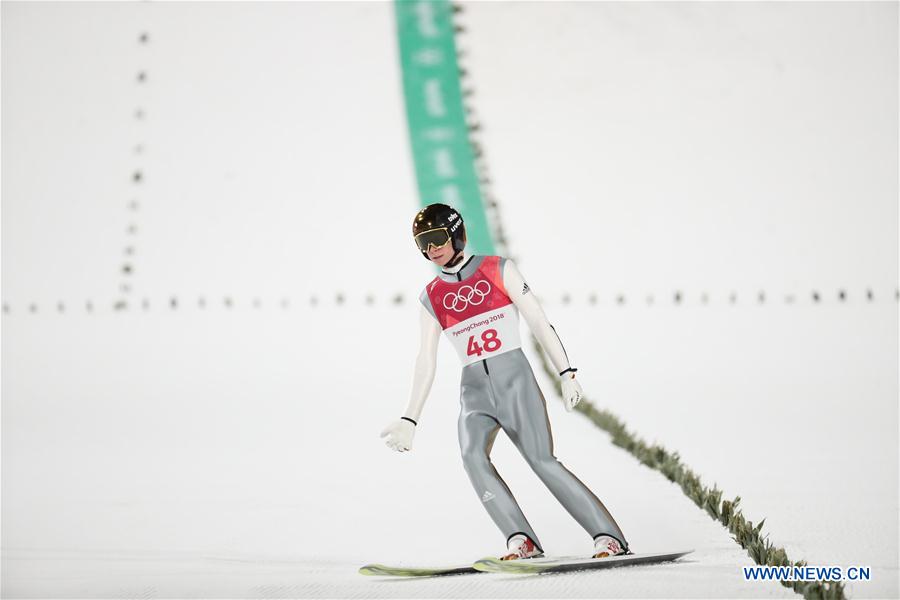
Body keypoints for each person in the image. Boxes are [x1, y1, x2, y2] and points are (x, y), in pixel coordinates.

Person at [380, 203, 630, 561]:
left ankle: (608, 536)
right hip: (474, 391)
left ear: (456, 234)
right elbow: (426, 359)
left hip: (515, 382)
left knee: (542, 461)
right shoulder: (430, 295)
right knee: (471, 457)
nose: (431, 248)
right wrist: (410, 418)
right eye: (423, 242)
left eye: (437, 238)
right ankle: (520, 538)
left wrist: (566, 371)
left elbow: (539, 321)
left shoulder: (497, 269)